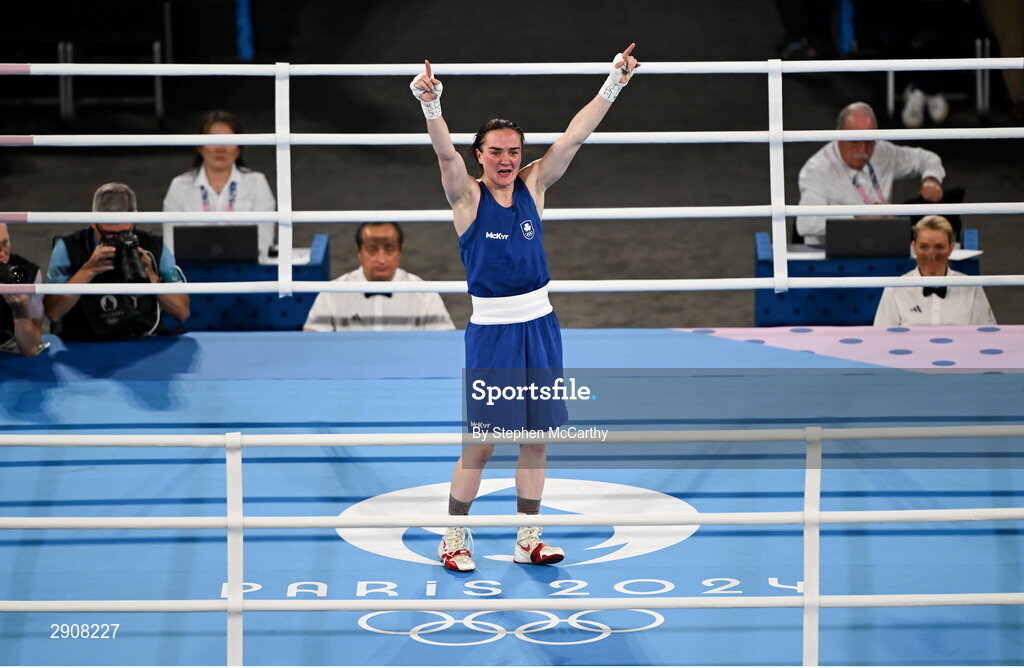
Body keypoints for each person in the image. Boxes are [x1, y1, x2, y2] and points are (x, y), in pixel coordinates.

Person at [411, 44, 640, 572]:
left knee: (535, 441)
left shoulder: (535, 184)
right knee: (483, 445)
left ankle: (528, 537)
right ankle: (453, 537)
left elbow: (575, 135)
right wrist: (431, 106)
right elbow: (444, 155)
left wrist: (614, 82)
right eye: (495, 151)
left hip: (540, 324)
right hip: (492, 330)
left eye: (513, 150)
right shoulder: (465, 197)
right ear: (480, 156)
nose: (506, 159)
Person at [45, 183, 190, 341]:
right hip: (84, 340)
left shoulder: (155, 248)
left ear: (135, 219)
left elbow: (182, 312)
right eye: (108, 234)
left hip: (142, 339)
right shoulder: (69, 248)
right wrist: (87, 271)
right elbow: (53, 312)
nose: (117, 240)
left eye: (124, 233)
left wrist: (151, 275)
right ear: (92, 221)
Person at [795, 101, 950, 246]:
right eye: (854, 141)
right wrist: (859, 218)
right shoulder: (816, 170)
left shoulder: (882, 151)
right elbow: (806, 223)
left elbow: (925, 158)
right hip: (834, 257)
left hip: (882, 246)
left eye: (869, 141)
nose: (863, 150)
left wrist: (931, 179)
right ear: (838, 134)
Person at [162, 110, 277, 257]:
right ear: (200, 146)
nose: (220, 147)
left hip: (244, 272)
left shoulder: (257, 182)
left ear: (239, 147)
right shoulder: (179, 186)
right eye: (213, 139)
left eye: (228, 140)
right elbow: (170, 244)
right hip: (193, 271)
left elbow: (264, 241)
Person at [303, 222, 454, 331]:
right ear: (359, 251)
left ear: (400, 250)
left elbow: (445, 342)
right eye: (372, 249)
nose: (381, 259)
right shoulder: (332, 292)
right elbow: (312, 343)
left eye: (389, 249)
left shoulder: (425, 293)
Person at [874, 215, 995, 326]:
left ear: (951, 248)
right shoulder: (895, 290)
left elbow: (987, 336)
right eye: (924, 247)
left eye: (939, 247)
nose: (931, 254)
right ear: (914, 247)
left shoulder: (971, 288)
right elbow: (882, 341)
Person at [0, 223, 46, 357]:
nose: (2, 253)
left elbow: (30, 349)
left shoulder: (30, 275)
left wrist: (21, 312)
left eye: (5, 243)